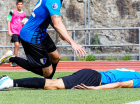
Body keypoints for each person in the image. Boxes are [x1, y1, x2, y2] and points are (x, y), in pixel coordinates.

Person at [0, 0, 86, 78]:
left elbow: (49, 18)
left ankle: (49, 80)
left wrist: (60, 32)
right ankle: (12, 58)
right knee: (47, 72)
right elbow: (57, 23)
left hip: (40, 33)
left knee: (55, 57)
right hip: (31, 36)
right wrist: (73, 43)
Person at [0, 68, 140, 90]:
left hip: (91, 74)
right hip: (94, 77)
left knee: (52, 86)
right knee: (52, 85)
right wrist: (96, 88)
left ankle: (8, 80)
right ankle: (10, 82)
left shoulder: (136, 72)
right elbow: (121, 84)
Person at [7, 0, 26, 67]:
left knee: (17, 46)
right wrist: (9, 30)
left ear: (22, 5)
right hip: (14, 31)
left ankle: (14, 60)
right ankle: (14, 60)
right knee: (17, 45)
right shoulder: (12, 11)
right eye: (18, 4)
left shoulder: (24, 13)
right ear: (16, 5)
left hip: (20, 32)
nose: (20, 5)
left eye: (21, 4)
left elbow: (23, 22)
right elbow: (8, 20)